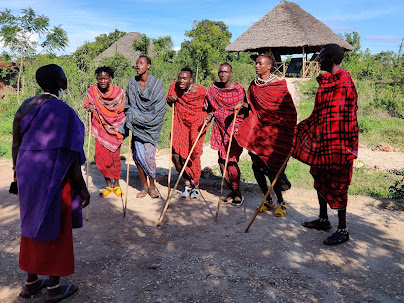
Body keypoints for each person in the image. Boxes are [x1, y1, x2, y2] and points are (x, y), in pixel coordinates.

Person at [11, 64, 90, 302]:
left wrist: (17, 174)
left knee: (31, 222)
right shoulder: (63, 111)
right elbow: (72, 153)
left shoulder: (25, 105)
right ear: (62, 83)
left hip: (27, 171)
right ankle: (54, 288)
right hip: (54, 172)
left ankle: (31, 282)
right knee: (55, 225)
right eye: (65, 76)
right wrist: (82, 186)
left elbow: (15, 143)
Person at [292, 43, 359, 245]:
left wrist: (324, 133)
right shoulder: (327, 83)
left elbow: (340, 117)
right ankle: (323, 219)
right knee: (319, 176)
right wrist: (303, 129)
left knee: (338, 185)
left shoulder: (344, 83)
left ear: (330, 59)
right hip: (324, 140)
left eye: (321, 57)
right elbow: (320, 114)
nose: (318, 60)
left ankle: (343, 229)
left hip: (340, 144)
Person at [235, 53, 297, 216]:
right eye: (256, 63)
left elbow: (289, 110)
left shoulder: (278, 86)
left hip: (274, 132)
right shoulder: (253, 85)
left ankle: (281, 203)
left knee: (272, 168)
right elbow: (253, 107)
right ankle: (267, 200)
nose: (256, 66)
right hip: (258, 131)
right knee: (256, 166)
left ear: (269, 66)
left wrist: (286, 129)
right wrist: (243, 104)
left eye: (260, 63)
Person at [120, 55, 166, 198]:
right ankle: (144, 187)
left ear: (148, 66)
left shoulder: (157, 84)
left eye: (141, 63)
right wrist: (132, 116)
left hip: (152, 126)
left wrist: (140, 117)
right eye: (136, 63)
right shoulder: (132, 83)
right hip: (137, 126)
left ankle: (152, 186)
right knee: (139, 156)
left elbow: (160, 108)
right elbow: (128, 104)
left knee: (149, 156)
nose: (138, 65)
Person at [204, 63, 247, 206]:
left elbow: (248, 107)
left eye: (226, 72)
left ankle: (237, 192)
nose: (223, 75)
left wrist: (241, 105)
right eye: (220, 72)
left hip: (235, 128)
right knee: (222, 161)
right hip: (219, 127)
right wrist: (210, 116)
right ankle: (231, 191)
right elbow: (210, 108)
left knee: (232, 160)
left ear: (231, 74)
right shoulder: (213, 90)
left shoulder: (239, 89)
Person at [166, 68, 208, 200]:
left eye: (184, 79)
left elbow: (210, 104)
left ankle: (195, 185)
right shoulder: (174, 87)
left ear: (191, 80)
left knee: (193, 153)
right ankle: (187, 183)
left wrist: (210, 115)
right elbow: (169, 100)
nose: (181, 81)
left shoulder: (201, 91)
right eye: (179, 78)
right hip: (180, 122)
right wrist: (171, 100)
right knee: (176, 154)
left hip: (196, 122)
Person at [84, 66, 125, 197]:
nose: (102, 81)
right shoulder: (93, 91)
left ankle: (117, 185)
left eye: (105, 78)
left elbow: (123, 109)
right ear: (97, 79)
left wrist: (117, 125)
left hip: (115, 129)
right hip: (100, 129)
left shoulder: (118, 93)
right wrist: (89, 106)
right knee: (101, 158)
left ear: (110, 79)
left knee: (115, 159)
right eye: (100, 78)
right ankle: (109, 185)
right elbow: (87, 104)